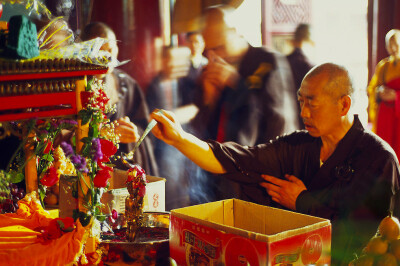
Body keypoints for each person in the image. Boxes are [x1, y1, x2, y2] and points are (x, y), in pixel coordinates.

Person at [149, 63, 400, 265]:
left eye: (311, 102)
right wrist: (179, 138)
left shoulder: (378, 158)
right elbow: (236, 160)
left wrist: (303, 202)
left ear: (344, 105)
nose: (303, 112)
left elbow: (363, 240)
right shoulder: (300, 145)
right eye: (301, 101)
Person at [190, 5, 300, 202]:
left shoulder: (267, 61)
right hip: (220, 172)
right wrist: (209, 100)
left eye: (219, 47)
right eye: (209, 50)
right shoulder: (212, 68)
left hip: (259, 176)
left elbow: (278, 123)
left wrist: (236, 84)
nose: (214, 55)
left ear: (235, 33)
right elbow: (203, 126)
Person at [81, 22, 158, 177]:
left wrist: (132, 130)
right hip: (92, 169)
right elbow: (68, 134)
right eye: (98, 51)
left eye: (110, 50)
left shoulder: (126, 84)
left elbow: (144, 128)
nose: (106, 57)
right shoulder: (77, 86)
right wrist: (108, 133)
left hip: (128, 165)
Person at [367, 29, 400, 159]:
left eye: (396, 43)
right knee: (384, 152)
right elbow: (372, 87)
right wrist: (378, 93)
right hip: (385, 115)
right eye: (389, 44)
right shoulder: (383, 66)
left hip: (398, 115)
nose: (393, 48)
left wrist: (396, 97)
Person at [287, 23, 314, 128]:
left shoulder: (283, 62)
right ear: (310, 41)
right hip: (304, 120)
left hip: (285, 122)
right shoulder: (310, 67)